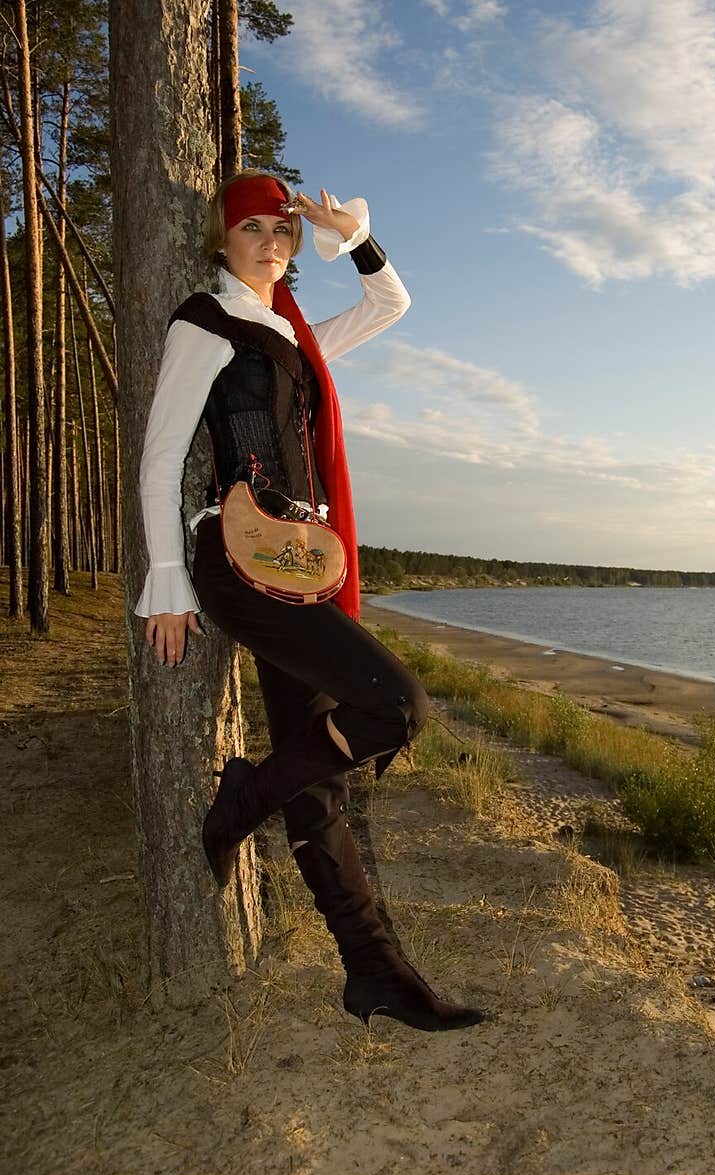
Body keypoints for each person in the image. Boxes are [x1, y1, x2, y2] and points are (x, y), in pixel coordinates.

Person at [135, 169, 483, 1034]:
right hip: (232, 556)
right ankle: (244, 800)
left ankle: (377, 973)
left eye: (282, 232)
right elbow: (158, 456)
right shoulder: (205, 322)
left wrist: (346, 231)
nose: (273, 242)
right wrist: (167, 583)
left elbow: (390, 302)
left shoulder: (291, 331)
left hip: (297, 564)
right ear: (222, 242)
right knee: (399, 704)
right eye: (254, 229)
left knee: (321, 785)